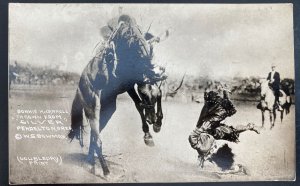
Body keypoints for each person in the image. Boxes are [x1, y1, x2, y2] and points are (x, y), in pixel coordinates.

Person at [189, 86, 260, 168]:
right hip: (211, 128)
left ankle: (249, 127)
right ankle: (249, 126)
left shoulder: (211, 113)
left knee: (230, 131)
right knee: (231, 131)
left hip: (210, 128)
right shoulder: (212, 110)